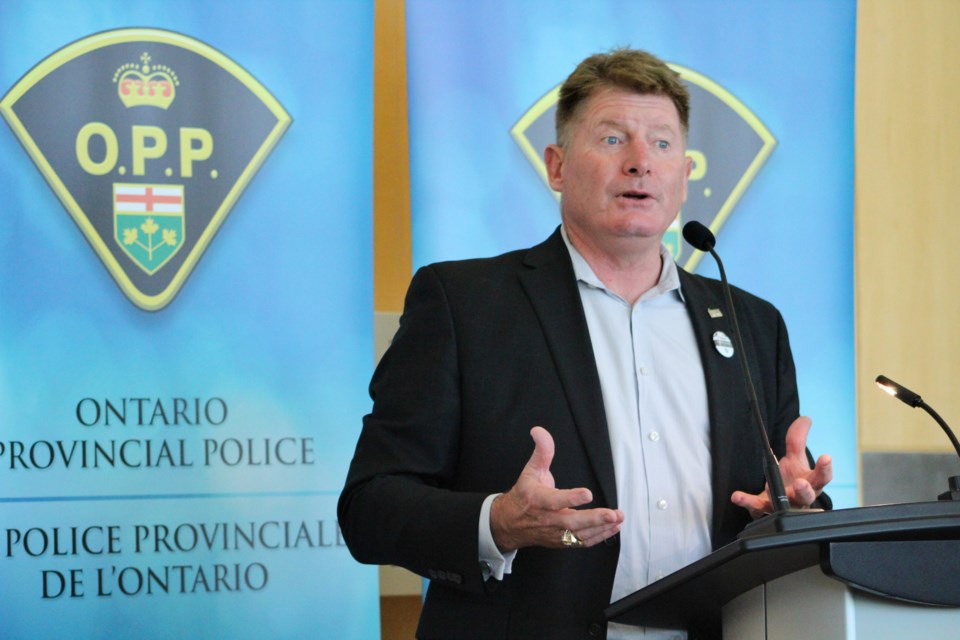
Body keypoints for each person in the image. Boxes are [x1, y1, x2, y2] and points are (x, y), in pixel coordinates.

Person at [338, 48, 833, 640]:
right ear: (556, 165)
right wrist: (497, 522)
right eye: (612, 139)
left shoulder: (753, 324)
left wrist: (796, 513)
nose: (640, 163)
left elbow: (783, 495)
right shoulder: (463, 304)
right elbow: (369, 507)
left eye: (662, 144)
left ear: (685, 174)